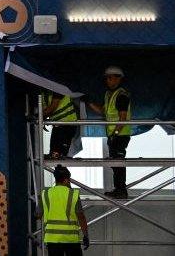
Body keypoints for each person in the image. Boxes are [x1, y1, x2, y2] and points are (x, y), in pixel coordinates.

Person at [86, 65, 132, 198]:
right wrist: (89, 103)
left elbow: (122, 119)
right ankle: (118, 189)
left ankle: (121, 190)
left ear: (118, 79)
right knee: (114, 163)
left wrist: (115, 134)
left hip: (120, 135)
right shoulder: (109, 94)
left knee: (118, 163)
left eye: (110, 78)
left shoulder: (121, 95)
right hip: (113, 135)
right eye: (107, 78)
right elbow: (104, 112)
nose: (108, 80)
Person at [40, 165, 89, 255]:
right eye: (69, 179)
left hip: (52, 239)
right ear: (66, 180)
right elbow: (81, 216)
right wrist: (85, 235)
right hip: (71, 239)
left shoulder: (46, 194)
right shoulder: (73, 194)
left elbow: (38, 214)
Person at [43, 91, 79, 159]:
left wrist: (39, 117)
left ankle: (61, 166)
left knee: (57, 155)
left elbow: (53, 107)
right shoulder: (45, 92)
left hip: (67, 123)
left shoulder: (58, 88)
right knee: (56, 155)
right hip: (59, 124)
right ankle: (60, 167)